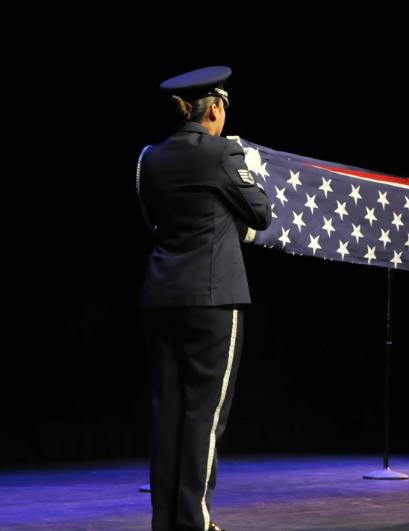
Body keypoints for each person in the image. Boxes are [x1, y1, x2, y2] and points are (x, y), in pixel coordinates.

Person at [137, 66, 270, 531]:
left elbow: (152, 218)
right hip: (213, 298)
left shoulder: (148, 158)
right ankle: (194, 522)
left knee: (167, 413)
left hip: (161, 295)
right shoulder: (223, 153)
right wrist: (245, 170)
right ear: (215, 108)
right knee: (204, 416)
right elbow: (262, 212)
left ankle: (167, 521)